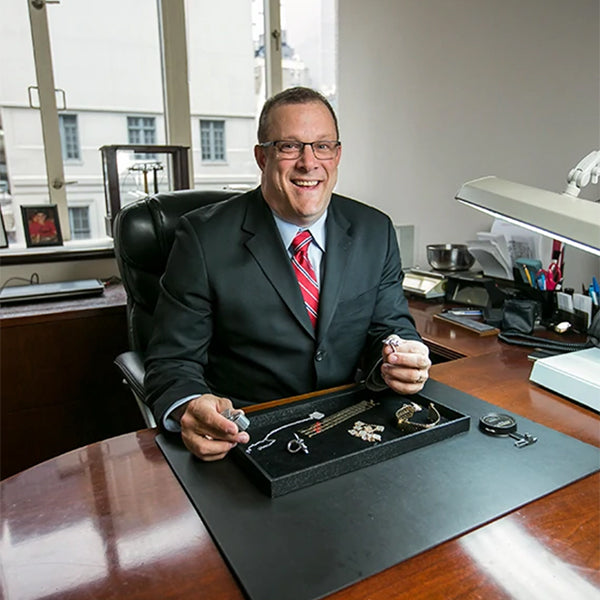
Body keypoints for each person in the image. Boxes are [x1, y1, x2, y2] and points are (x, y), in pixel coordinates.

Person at [144, 86, 431, 461]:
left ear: (337, 154)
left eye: (323, 146)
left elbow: (389, 326)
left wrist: (400, 356)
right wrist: (190, 407)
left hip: (352, 425)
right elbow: (172, 361)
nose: (309, 163)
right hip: (247, 436)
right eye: (289, 147)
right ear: (262, 157)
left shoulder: (374, 230)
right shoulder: (203, 238)